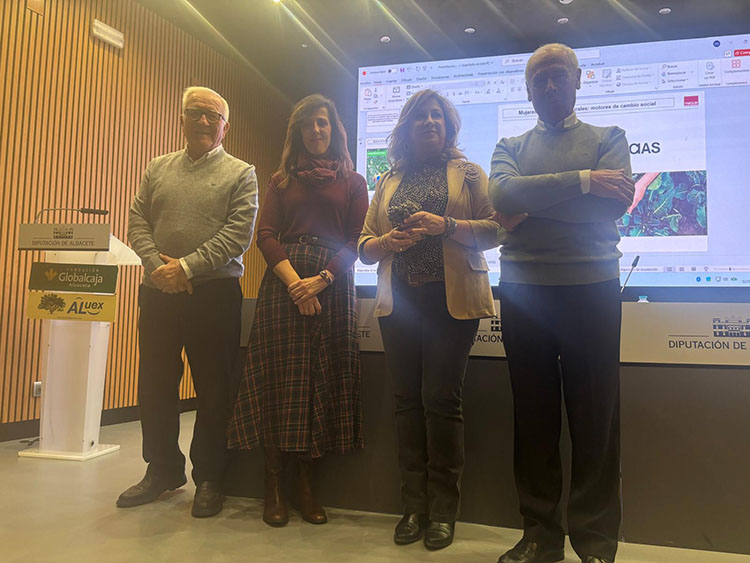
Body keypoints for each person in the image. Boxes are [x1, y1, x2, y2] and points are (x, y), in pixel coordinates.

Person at [489, 44, 635, 563]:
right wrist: (584, 182)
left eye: (558, 77)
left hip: (592, 288)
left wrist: (532, 204)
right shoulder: (508, 146)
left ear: (578, 79)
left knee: (596, 419)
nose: (549, 87)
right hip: (524, 292)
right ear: (527, 90)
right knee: (533, 418)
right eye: (539, 81)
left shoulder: (609, 138)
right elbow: (502, 197)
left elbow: (610, 208)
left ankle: (595, 543)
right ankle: (540, 537)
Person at [358, 89, 500, 550]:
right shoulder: (388, 180)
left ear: (449, 125)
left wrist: (447, 226)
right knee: (406, 403)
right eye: (420, 116)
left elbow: (497, 229)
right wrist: (387, 242)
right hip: (399, 301)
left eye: (437, 115)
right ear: (407, 128)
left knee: (441, 401)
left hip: (449, 302)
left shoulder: (469, 174)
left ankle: (442, 511)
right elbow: (363, 245)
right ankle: (413, 507)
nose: (430, 122)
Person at [227, 94, 367, 527]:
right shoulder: (281, 181)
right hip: (284, 286)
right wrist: (296, 286)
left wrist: (321, 280)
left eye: (323, 123)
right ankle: (273, 486)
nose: (316, 130)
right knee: (278, 383)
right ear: (298, 133)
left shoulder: (354, 181)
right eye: (308, 124)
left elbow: (357, 240)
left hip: (333, 286)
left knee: (321, 382)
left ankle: (307, 486)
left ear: (334, 129)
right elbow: (266, 235)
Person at [119, 86, 258, 518]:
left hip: (214, 294)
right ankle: (162, 469)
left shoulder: (242, 173)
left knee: (214, 388)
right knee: (155, 383)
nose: (203, 121)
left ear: (224, 127)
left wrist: (186, 267)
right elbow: (137, 219)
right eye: (195, 112)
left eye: (213, 116)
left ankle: (211, 476)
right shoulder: (157, 167)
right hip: (157, 290)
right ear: (181, 119)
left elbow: (238, 235)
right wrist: (156, 265)